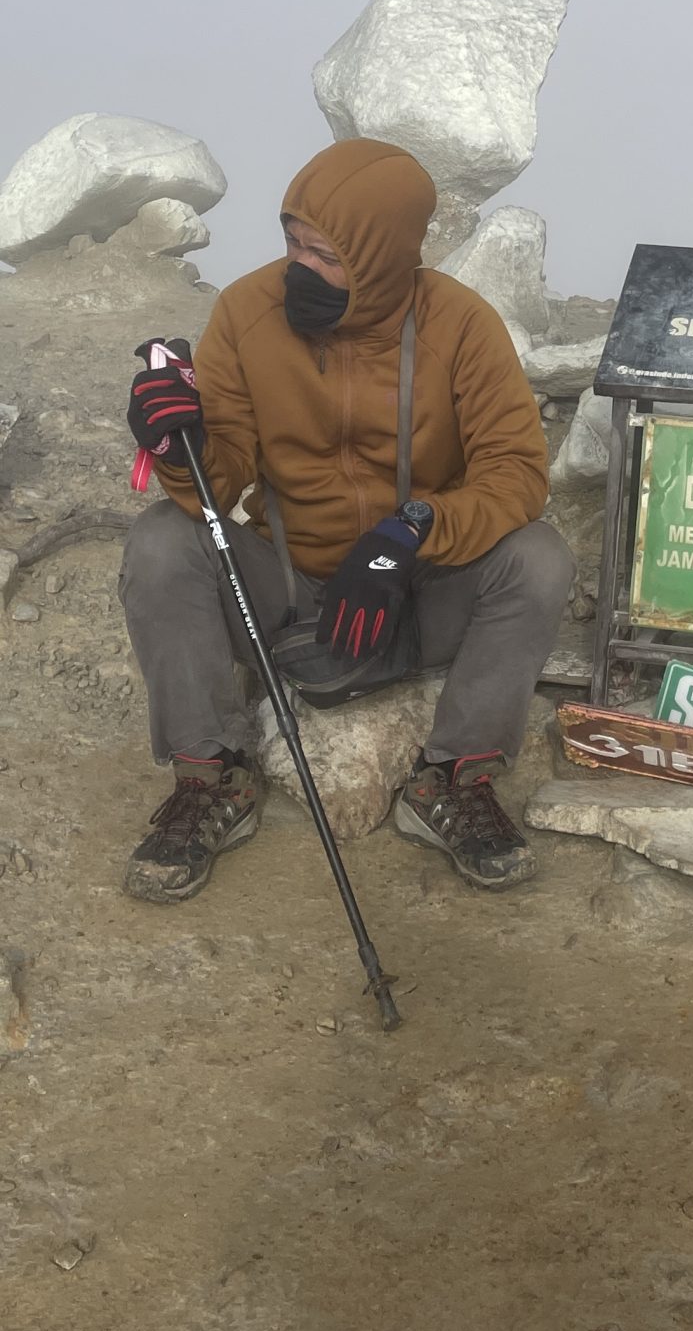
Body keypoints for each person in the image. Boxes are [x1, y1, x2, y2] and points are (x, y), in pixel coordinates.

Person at [119, 138, 574, 903]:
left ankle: (453, 781)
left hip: (415, 589)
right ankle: (212, 779)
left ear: (385, 254)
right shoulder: (246, 312)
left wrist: (409, 536)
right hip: (286, 589)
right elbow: (214, 481)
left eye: (327, 254)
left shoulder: (462, 325)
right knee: (163, 543)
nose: (301, 268)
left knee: (540, 560)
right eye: (294, 243)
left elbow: (517, 475)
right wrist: (180, 444)